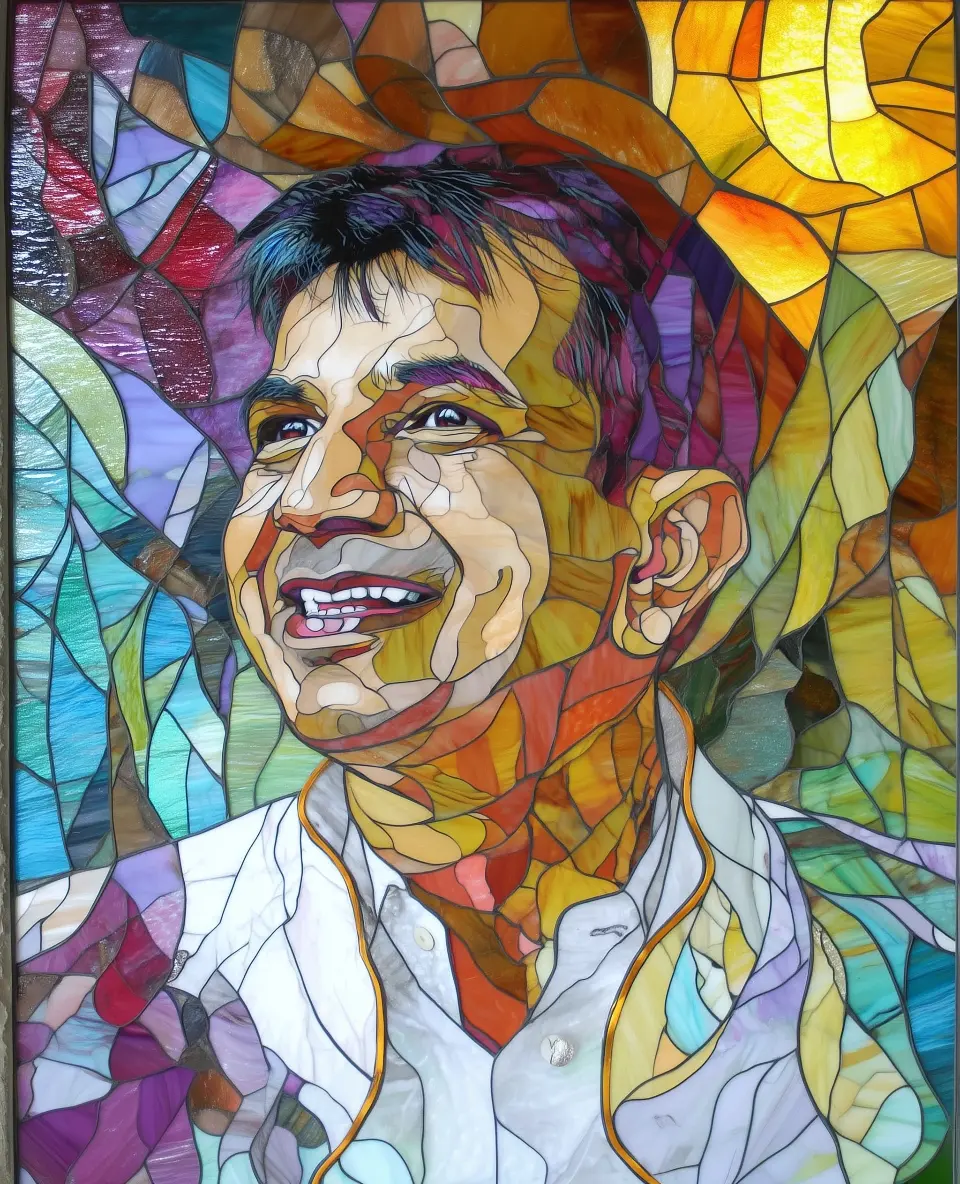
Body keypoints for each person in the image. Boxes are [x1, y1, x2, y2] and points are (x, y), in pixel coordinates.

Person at [16, 154, 938, 1184]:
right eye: (286, 430)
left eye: (440, 418)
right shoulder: (59, 991)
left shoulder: (916, 961)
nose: (312, 497)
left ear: (665, 553)